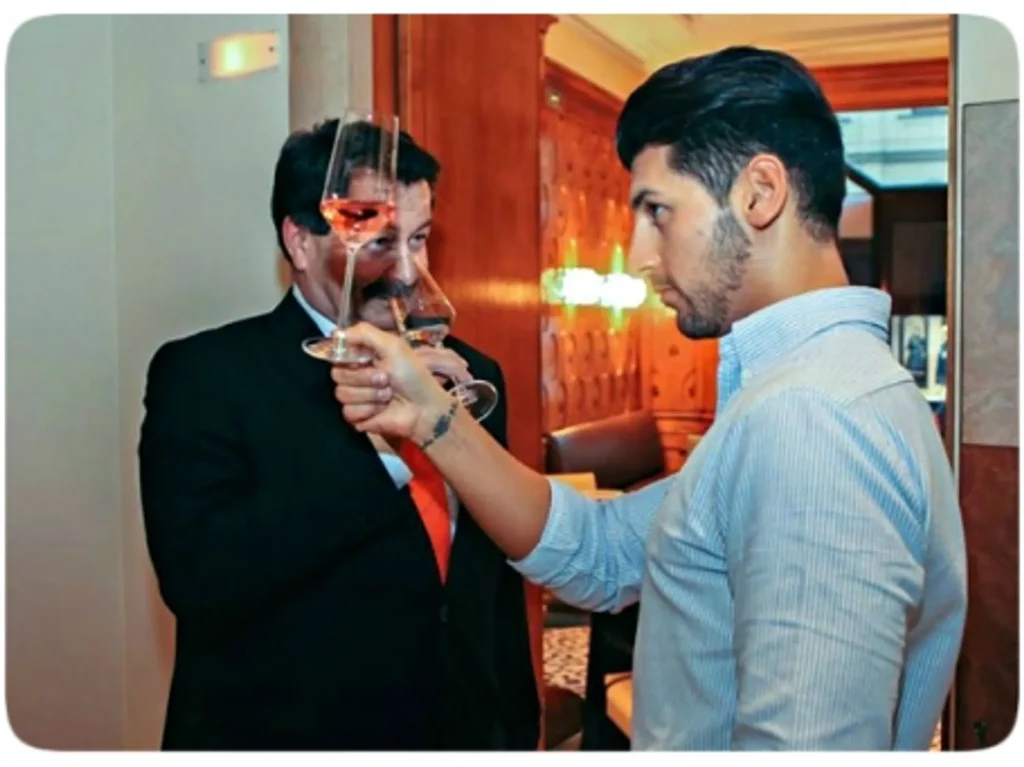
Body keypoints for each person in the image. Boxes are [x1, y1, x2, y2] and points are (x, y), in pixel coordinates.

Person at [330, 47, 968, 751]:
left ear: (760, 193)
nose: (638, 254)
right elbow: (600, 551)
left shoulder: (813, 419)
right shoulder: (810, 390)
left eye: (657, 211)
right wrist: (431, 415)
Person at [138, 120, 539, 750]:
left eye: (420, 239)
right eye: (379, 241)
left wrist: (516, 732)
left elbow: (493, 584)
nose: (408, 271)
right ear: (300, 242)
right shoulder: (206, 376)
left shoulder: (469, 374)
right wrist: (397, 451)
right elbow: (202, 582)